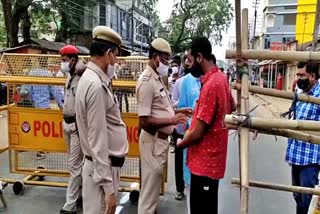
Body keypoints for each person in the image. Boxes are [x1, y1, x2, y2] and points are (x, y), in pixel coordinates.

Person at [75, 26, 128, 214]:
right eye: (116, 56)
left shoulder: (92, 79)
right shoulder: (96, 85)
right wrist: (108, 188)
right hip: (101, 171)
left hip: (99, 168)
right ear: (108, 54)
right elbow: (97, 140)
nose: (117, 62)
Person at [177, 37, 233, 214]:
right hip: (212, 162)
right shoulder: (221, 78)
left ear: (200, 57)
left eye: (190, 60)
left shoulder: (211, 85)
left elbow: (197, 132)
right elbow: (233, 106)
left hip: (205, 163)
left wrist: (181, 143)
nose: (188, 64)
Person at [136, 38, 190, 214]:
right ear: (155, 58)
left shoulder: (158, 79)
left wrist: (179, 110)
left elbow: (162, 108)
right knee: (148, 195)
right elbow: (144, 121)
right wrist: (172, 121)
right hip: (152, 141)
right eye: (165, 60)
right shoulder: (146, 81)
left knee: (152, 193)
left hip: (159, 143)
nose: (168, 64)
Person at [286, 62, 320, 214]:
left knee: (308, 200)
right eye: (297, 75)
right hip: (296, 155)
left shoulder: (319, 96)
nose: (298, 78)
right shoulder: (300, 93)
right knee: (298, 197)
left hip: (310, 159)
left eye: (301, 75)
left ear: (312, 76)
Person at [58, 45, 86, 214]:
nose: (62, 63)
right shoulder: (69, 76)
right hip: (66, 123)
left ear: (74, 60)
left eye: (64, 60)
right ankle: (80, 195)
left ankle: (70, 205)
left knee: (74, 165)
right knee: (75, 164)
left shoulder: (82, 75)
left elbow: (87, 67)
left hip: (76, 125)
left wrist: (81, 65)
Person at [177, 57, 201, 209]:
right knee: (191, 187)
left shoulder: (212, 81)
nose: (188, 63)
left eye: (191, 60)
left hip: (209, 147)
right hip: (191, 140)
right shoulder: (186, 81)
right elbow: (182, 111)